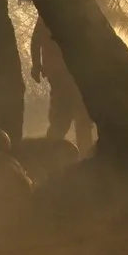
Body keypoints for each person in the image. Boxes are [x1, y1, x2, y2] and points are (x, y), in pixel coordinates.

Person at [30, 16, 94, 156]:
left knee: (73, 120)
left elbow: (36, 39)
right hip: (65, 75)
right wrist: (36, 64)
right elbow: (37, 39)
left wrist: (36, 64)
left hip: (73, 75)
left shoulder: (65, 9)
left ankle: (54, 159)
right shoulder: (56, 9)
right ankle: (52, 160)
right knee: (67, 120)